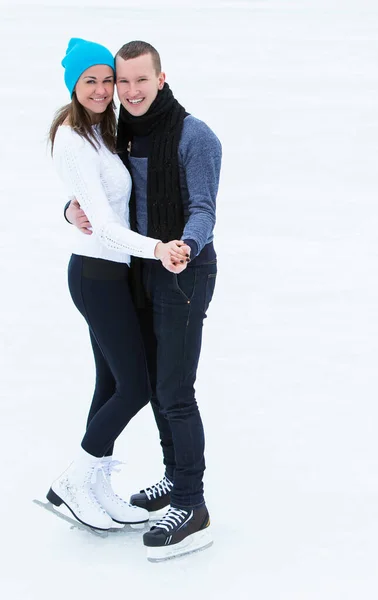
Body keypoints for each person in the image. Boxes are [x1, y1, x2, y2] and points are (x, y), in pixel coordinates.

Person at [65, 40, 222, 561]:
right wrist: (70, 210)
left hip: (183, 272)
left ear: (160, 77)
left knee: (175, 390)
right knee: (154, 386)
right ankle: (174, 477)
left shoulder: (195, 136)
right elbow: (104, 193)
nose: (129, 91)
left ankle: (191, 504)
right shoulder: (122, 132)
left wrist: (185, 245)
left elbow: (202, 209)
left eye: (139, 80)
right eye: (121, 81)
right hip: (141, 272)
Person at [48, 38, 190, 532]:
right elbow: (104, 223)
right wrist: (157, 248)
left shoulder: (102, 132)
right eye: (92, 81)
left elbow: (91, 203)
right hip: (96, 276)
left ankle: (96, 485)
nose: (105, 89)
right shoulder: (71, 137)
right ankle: (74, 480)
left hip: (112, 274)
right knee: (135, 386)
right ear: (73, 86)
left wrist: (70, 209)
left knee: (110, 383)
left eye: (107, 79)